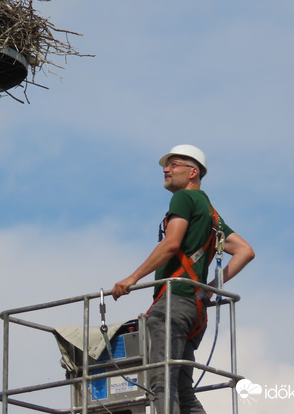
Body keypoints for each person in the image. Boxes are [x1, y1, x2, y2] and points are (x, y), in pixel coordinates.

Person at [110, 145, 255, 414]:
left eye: (173, 164)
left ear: (193, 172)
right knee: (183, 390)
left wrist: (132, 278)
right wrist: (210, 289)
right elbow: (245, 250)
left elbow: (171, 244)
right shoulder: (210, 212)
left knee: (161, 381)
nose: (166, 169)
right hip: (195, 311)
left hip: (174, 304)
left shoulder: (184, 199)